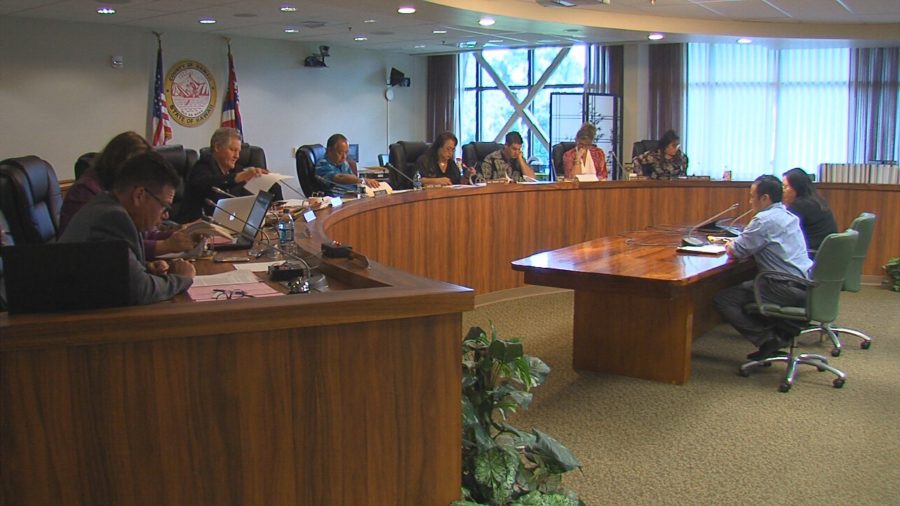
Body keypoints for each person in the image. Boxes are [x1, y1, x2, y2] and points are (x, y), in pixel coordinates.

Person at [59, 151, 195, 305]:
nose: (166, 215)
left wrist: (145, 268)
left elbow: (108, 272)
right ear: (139, 195)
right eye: (164, 206)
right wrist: (181, 278)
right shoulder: (113, 219)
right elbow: (141, 291)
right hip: (78, 317)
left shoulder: (106, 204)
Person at [713, 175, 813, 360]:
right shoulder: (788, 216)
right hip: (805, 284)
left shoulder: (764, 220)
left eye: (752, 196)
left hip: (783, 287)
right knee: (745, 286)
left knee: (724, 299)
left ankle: (767, 340)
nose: (750, 201)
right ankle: (779, 332)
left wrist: (729, 244)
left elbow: (737, 251)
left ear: (765, 198)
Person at [58, 131, 197, 258]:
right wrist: (165, 245)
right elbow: (116, 248)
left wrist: (178, 235)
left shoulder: (119, 197)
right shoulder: (88, 193)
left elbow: (141, 235)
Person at [179, 127, 269, 221]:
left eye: (239, 151)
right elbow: (208, 183)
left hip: (229, 223)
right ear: (217, 147)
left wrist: (263, 180)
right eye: (233, 150)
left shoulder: (236, 169)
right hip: (195, 225)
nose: (237, 156)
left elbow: (245, 200)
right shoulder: (203, 166)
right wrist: (238, 177)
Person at [782, 167, 837, 254]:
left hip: (810, 254)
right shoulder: (817, 201)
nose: (782, 191)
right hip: (826, 254)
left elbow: (784, 234)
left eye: (785, 187)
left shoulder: (799, 206)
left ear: (797, 188)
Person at [315, 133, 380, 195]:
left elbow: (353, 180)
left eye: (346, 152)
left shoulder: (343, 163)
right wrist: (362, 180)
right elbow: (340, 178)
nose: (344, 157)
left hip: (353, 195)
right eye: (340, 153)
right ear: (329, 150)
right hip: (337, 199)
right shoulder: (322, 164)